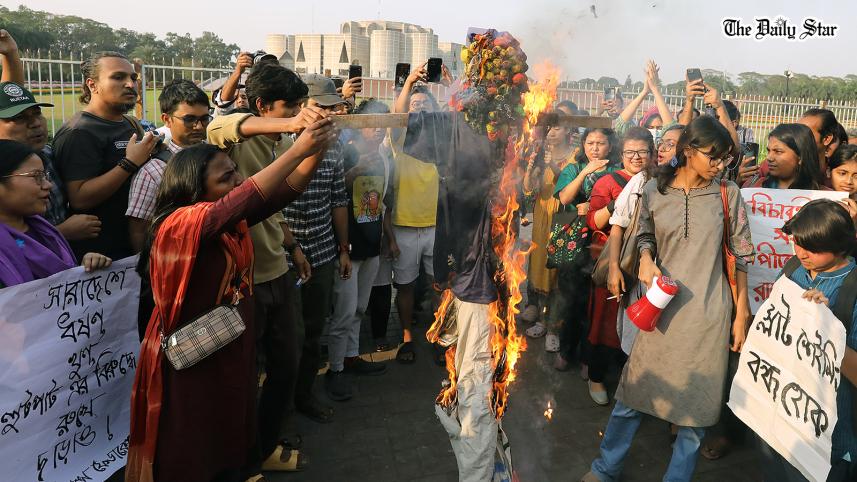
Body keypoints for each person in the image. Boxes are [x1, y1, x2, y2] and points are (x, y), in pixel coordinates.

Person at [126, 115, 336, 482]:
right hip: (191, 358)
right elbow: (244, 198)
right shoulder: (178, 224)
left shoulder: (224, 221)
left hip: (226, 346)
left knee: (228, 431)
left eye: (237, 173)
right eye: (226, 178)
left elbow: (283, 192)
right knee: (192, 443)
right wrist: (297, 148)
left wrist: (315, 152)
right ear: (193, 185)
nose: (237, 182)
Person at [582, 115, 754, 482]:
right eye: (714, 156)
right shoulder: (654, 190)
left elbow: (741, 256)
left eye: (725, 158)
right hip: (660, 313)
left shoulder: (728, 193)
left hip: (709, 316)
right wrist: (645, 258)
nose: (720, 165)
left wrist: (741, 315)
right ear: (688, 151)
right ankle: (605, 469)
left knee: (695, 414)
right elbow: (644, 234)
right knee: (632, 396)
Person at [207, 63, 326, 472]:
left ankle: (263, 446)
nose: (297, 115)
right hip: (243, 282)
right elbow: (220, 127)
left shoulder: (277, 144)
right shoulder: (233, 142)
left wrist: (293, 247)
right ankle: (239, 457)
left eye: (300, 107)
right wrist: (297, 130)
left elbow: (275, 203)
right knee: (242, 376)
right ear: (261, 106)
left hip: (276, 271)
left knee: (287, 365)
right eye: (289, 108)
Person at [759, 199, 857, 481]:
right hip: (782, 424)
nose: (801, 253)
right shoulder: (793, 269)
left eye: (813, 247)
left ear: (841, 245)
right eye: (797, 242)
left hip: (833, 442)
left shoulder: (852, 289)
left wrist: (826, 328)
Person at [281, 74, 352, 425]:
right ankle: (277, 406)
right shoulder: (278, 141)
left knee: (312, 333)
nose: (326, 113)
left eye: (330, 107)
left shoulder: (334, 146)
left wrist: (342, 248)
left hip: (322, 252)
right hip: (282, 257)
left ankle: (304, 396)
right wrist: (291, 247)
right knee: (283, 338)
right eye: (319, 107)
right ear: (300, 107)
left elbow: (338, 198)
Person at [53, 51, 158, 260]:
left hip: (134, 243)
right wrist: (129, 163)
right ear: (92, 85)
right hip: (102, 256)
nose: (130, 84)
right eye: (118, 77)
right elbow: (80, 198)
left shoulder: (129, 123)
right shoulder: (80, 132)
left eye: (133, 78)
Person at [326, 99, 393, 401]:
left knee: (360, 308)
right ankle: (335, 369)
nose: (379, 129)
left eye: (384, 123)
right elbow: (330, 195)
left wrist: (386, 239)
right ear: (360, 123)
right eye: (373, 122)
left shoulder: (384, 156)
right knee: (343, 311)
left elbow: (382, 203)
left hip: (371, 247)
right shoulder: (343, 151)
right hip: (347, 249)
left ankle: (351, 358)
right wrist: (352, 173)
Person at [584, 127, 654, 406]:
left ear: (652, 152)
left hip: (646, 262)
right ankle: (596, 376)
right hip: (615, 258)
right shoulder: (609, 181)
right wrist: (620, 201)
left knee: (639, 322)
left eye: (642, 151)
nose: (636, 157)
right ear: (621, 154)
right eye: (629, 152)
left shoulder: (658, 180)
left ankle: (631, 379)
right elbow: (594, 222)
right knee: (605, 319)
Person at [0, 140, 111, 289]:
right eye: (36, 176)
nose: (48, 185)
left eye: (45, 176)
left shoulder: (43, 229)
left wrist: (85, 268)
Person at [390, 64, 441, 364]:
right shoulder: (400, 139)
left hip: (435, 225)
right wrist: (409, 82)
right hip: (405, 226)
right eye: (414, 105)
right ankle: (408, 336)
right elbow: (398, 114)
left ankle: (437, 335)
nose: (419, 109)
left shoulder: (442, 141)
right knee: (406, 286)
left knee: (439, 286)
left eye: (425, 104)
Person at [127, 79, 211, 251]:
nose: (199, 126)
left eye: (204, 119)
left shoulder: (215, 157)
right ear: (167, 119)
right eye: (189, 119)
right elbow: (138, 230)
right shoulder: (153, 172)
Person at [521, 116, 577, 352]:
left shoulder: (576, 155)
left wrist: (553, 164)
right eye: (549, 128)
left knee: (558, 275)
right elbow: (528, 189)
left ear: (567, 130)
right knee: (540, 268)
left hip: (563, 217)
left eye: (557, 127)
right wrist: (532, 169)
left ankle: (554, 328)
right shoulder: (540, 152)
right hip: (542, 217)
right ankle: (542, 320)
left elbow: (565, 184)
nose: (552, 132)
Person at [743, 123, 824, 190]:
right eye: (769, 151)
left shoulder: (823, 197)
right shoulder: (754, 186)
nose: (769, 158)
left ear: (801, 156)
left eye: (778, 151)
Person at [798, 108, 839, 175]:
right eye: (797, 131)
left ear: (826, 139)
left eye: (805, 132)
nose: (798, 136)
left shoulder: (836, 179)